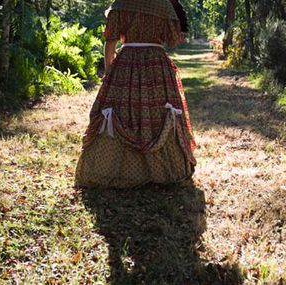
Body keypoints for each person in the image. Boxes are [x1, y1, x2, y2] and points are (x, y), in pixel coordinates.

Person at [74, 0, 197, 189]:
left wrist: (109, 72)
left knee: (121, 110)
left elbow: (110, 42)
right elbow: (173, 40)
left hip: (126, 62)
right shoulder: (163, 5)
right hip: (156, 63)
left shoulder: (121, 4)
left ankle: (108, 169)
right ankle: (162, 171)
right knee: (157, 110)